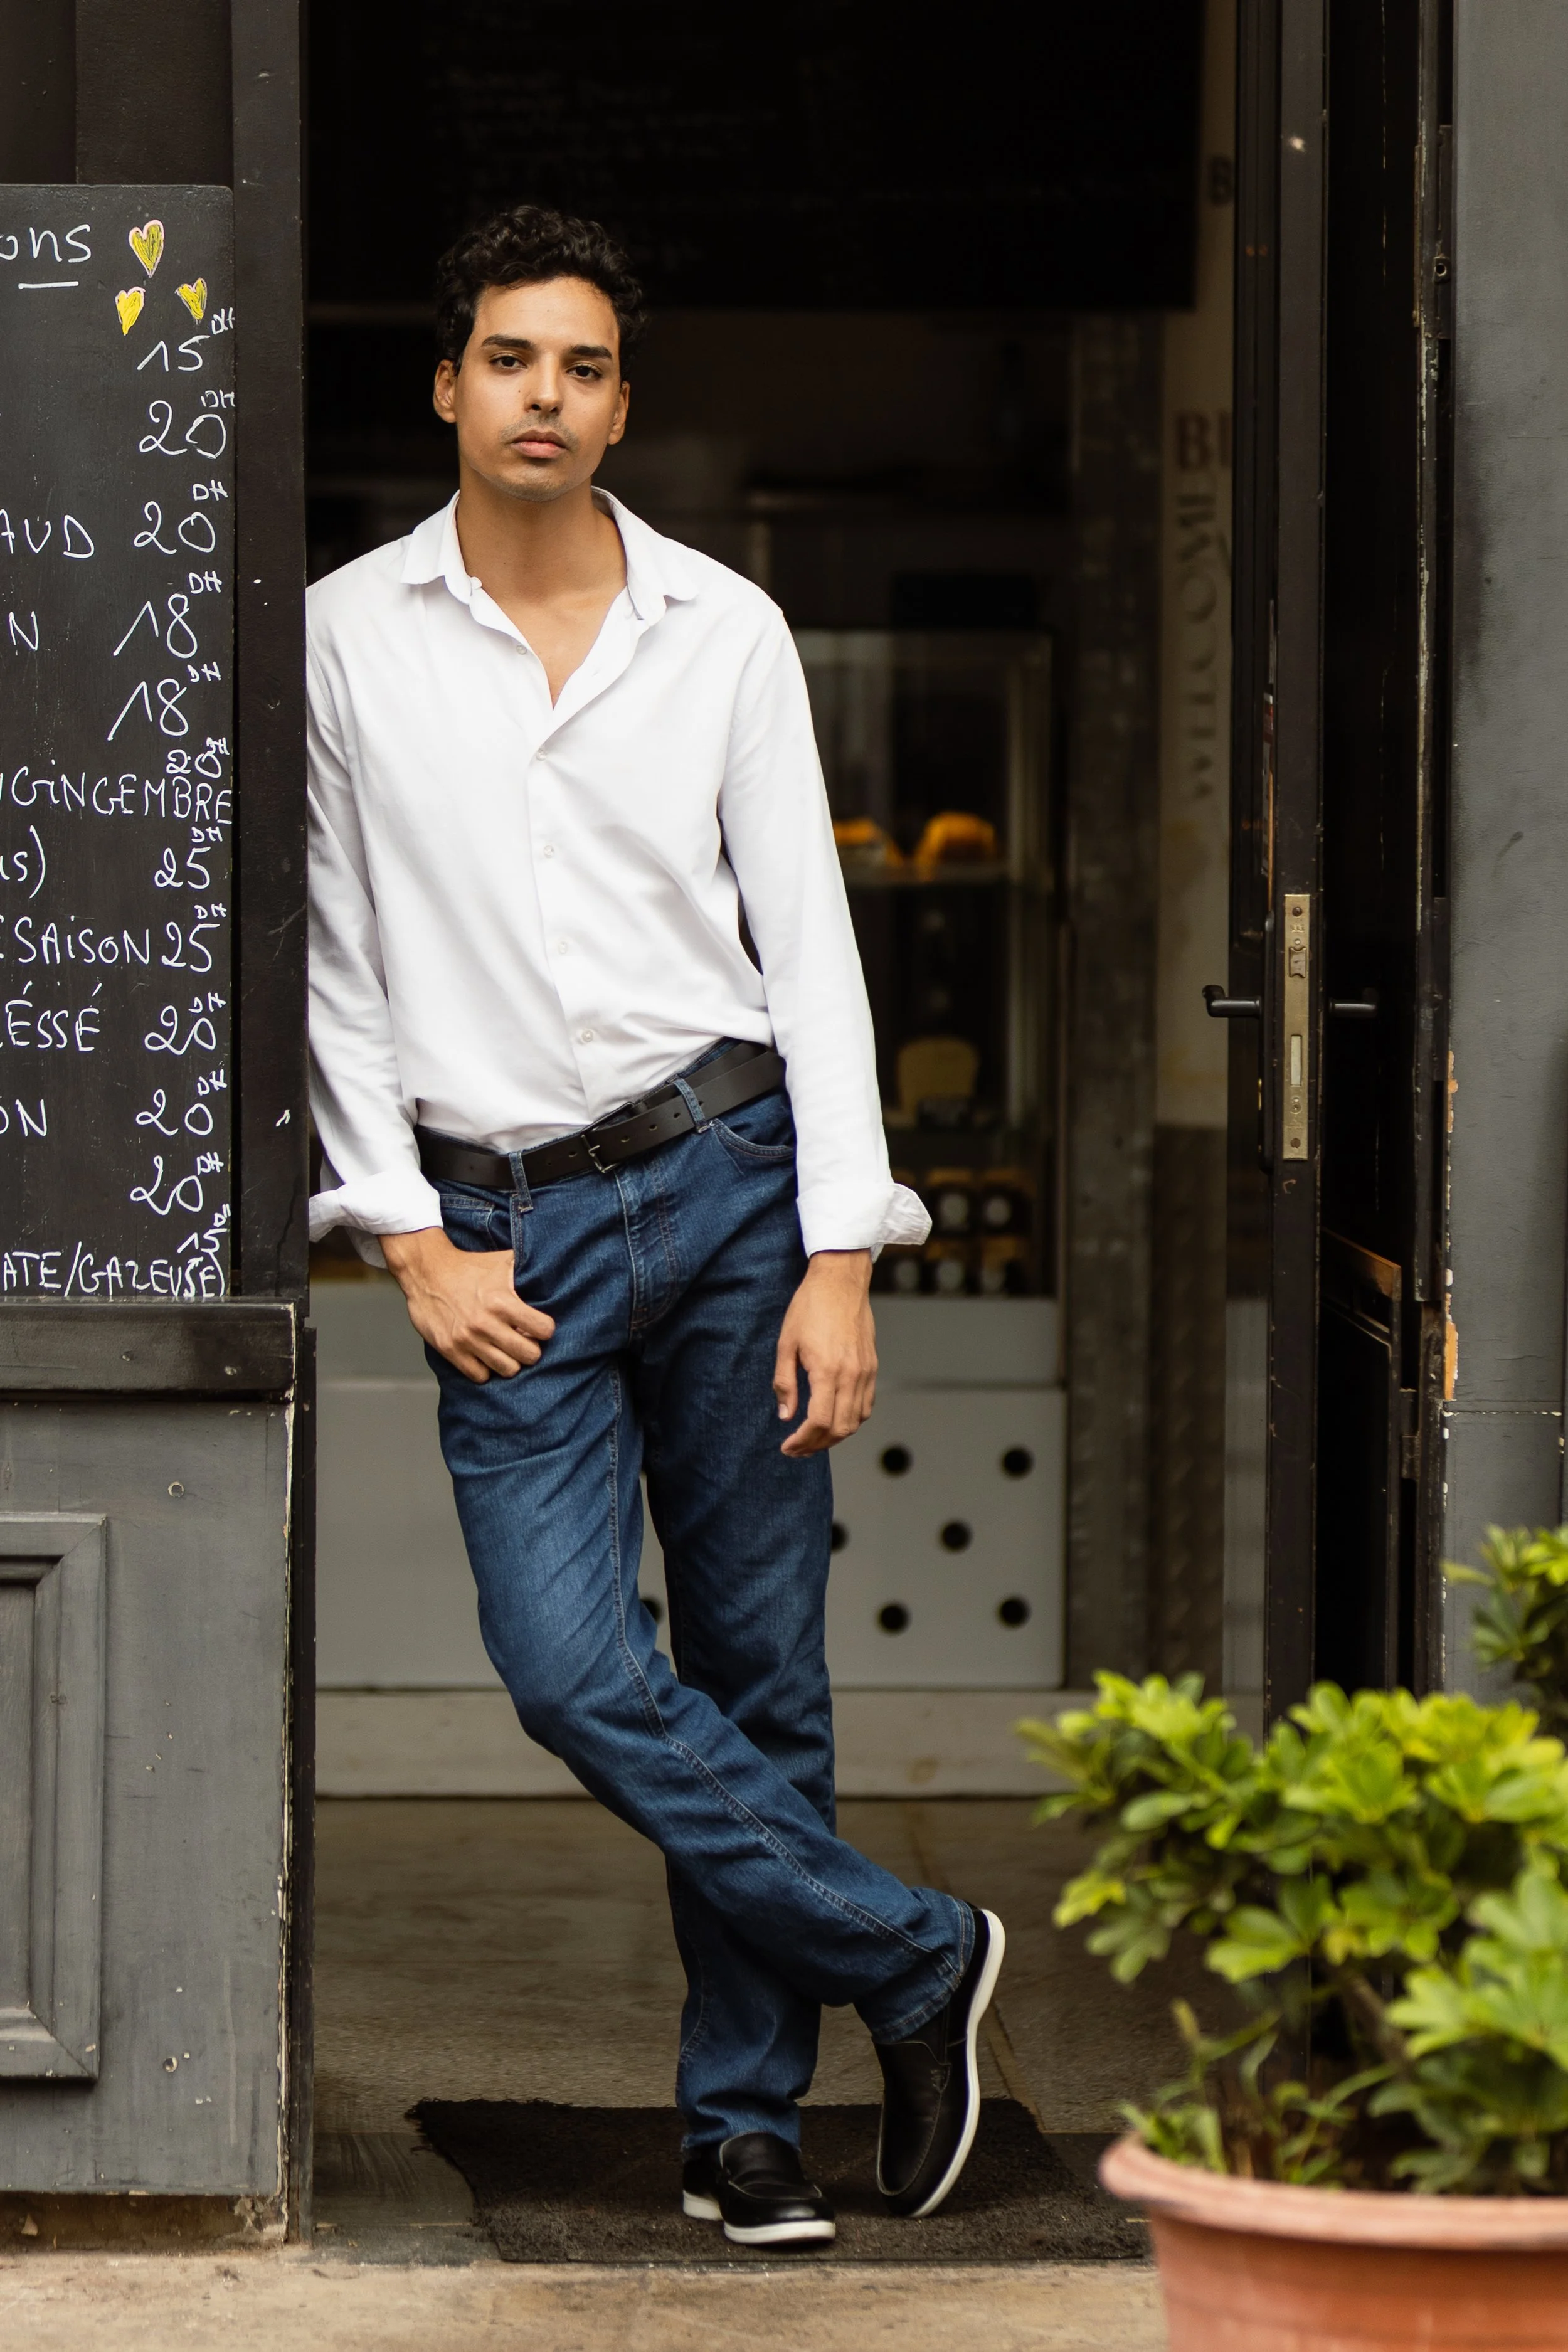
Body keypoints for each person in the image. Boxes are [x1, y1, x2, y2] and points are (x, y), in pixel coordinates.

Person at [305, 203, 1004, 2248]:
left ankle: (743, 2123)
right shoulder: (347, 633)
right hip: (496, 1227)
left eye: (585, 365)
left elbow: (811, 944)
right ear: (447, 383)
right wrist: (398, 1237)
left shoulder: (725, 628)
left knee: (759, 1669)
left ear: (624, 401)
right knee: (568, 1665)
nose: (547, 396)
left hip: (725, 1180)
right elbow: (333, 967)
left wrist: (843, 1245)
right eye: (511, 359)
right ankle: (913, 1949)